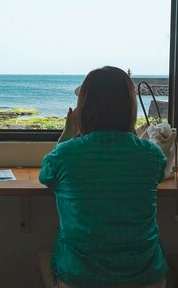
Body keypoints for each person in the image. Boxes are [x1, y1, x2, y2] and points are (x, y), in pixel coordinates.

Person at [37, 66, 167, 288]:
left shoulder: (66, 154)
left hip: (81, 280)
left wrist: (68, 133)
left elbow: (46, 175)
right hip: (147, 279)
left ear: (83, 109)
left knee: (39, 257)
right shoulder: (152, 155)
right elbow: (154, 175)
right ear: (131, 108)